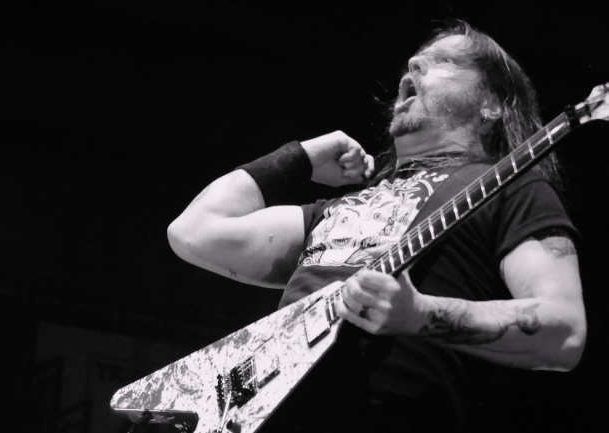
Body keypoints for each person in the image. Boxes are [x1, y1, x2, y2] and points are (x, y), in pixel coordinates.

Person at [167, 21, 586, 432]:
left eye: (445, 61)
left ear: (490, 105)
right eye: (416, 60)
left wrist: (420, 314)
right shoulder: (335, 210)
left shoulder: (513, 186)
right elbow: (194, 232)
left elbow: (564, 331)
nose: (414, 64)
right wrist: (301, 157)